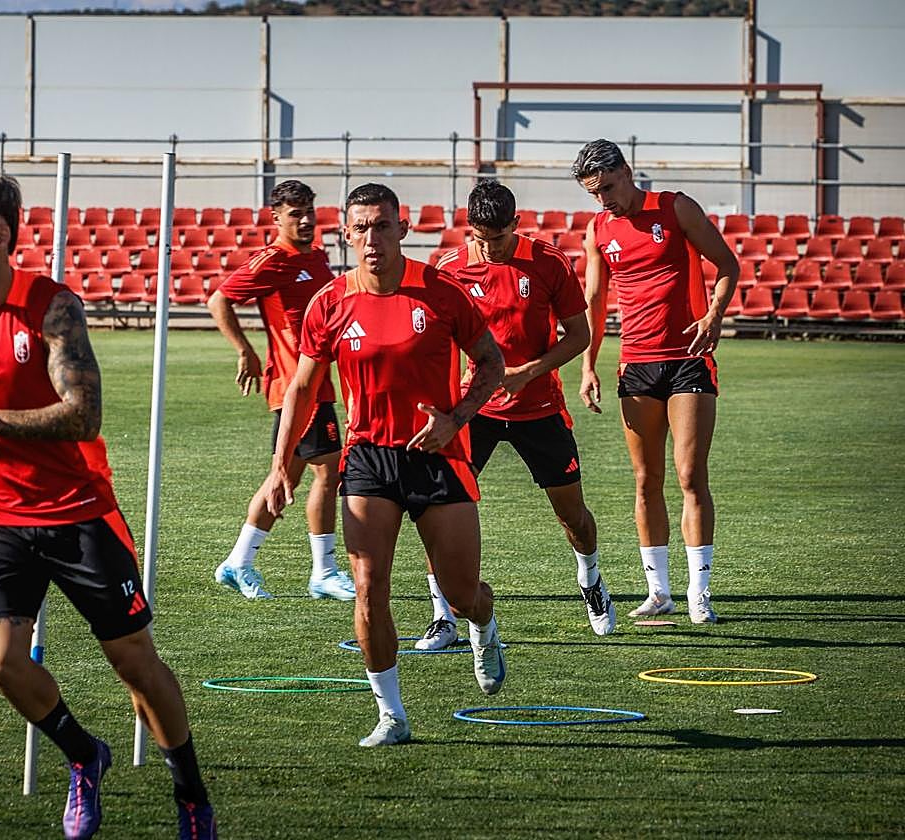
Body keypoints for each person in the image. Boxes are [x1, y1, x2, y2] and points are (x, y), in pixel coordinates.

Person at [0, 168, 216, 840]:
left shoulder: (52, 308)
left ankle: (190, 792)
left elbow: (83, 416)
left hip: (80, 509)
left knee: (134, 663)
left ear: (1, 236)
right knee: (1, 660)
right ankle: (84, 755)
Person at [264, 183, 507, 747]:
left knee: (461, 591)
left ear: (401, 229)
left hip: (438, 455)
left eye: (381, 226)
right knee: (370, 587)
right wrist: (280, 466)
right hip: (368, 461)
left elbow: (491, 364)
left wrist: (456, 417)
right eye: (360, 228)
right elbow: (302, 388)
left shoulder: (441, 293)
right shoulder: (330, 302)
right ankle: (392, 715)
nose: (371, 239)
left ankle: (483, 624)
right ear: (346, 235)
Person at [415, 179, 615, 650]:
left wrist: (529, 372)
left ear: (516, 224)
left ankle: (590, 578)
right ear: (469, 229)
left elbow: (579, 335)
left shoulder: (548, 262)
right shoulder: (447, 270)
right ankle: (442, 617)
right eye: (481, 239)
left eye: (499, 238)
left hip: (540, 406)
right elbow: (430, 344)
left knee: (573, 517)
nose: (490, 249)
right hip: (473, 408)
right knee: (442, 511)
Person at [572, 139, 739, 624]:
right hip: (636, 364)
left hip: (687, 358)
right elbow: (595, 300)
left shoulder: (675, 207)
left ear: (626, 171)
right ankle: (659, 592)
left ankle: (699, 592)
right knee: (646, 481)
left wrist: (714, 315)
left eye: (607, 187)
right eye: (593, 193)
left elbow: (727, 265)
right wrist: (588, 365)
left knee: (690, 476)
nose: (603, 200)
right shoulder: (599, 229)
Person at [207, 180, 355, 601]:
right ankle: (323, 572)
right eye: (296, 214)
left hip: (316, 384)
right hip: (296, 387)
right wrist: (245, 351)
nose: (306, 220)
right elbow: (218, 301)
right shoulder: (273, 261)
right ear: (276, 218)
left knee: (284, 478)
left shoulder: (317, 257)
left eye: (310, 211)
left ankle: (239, 561)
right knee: (328, 469)